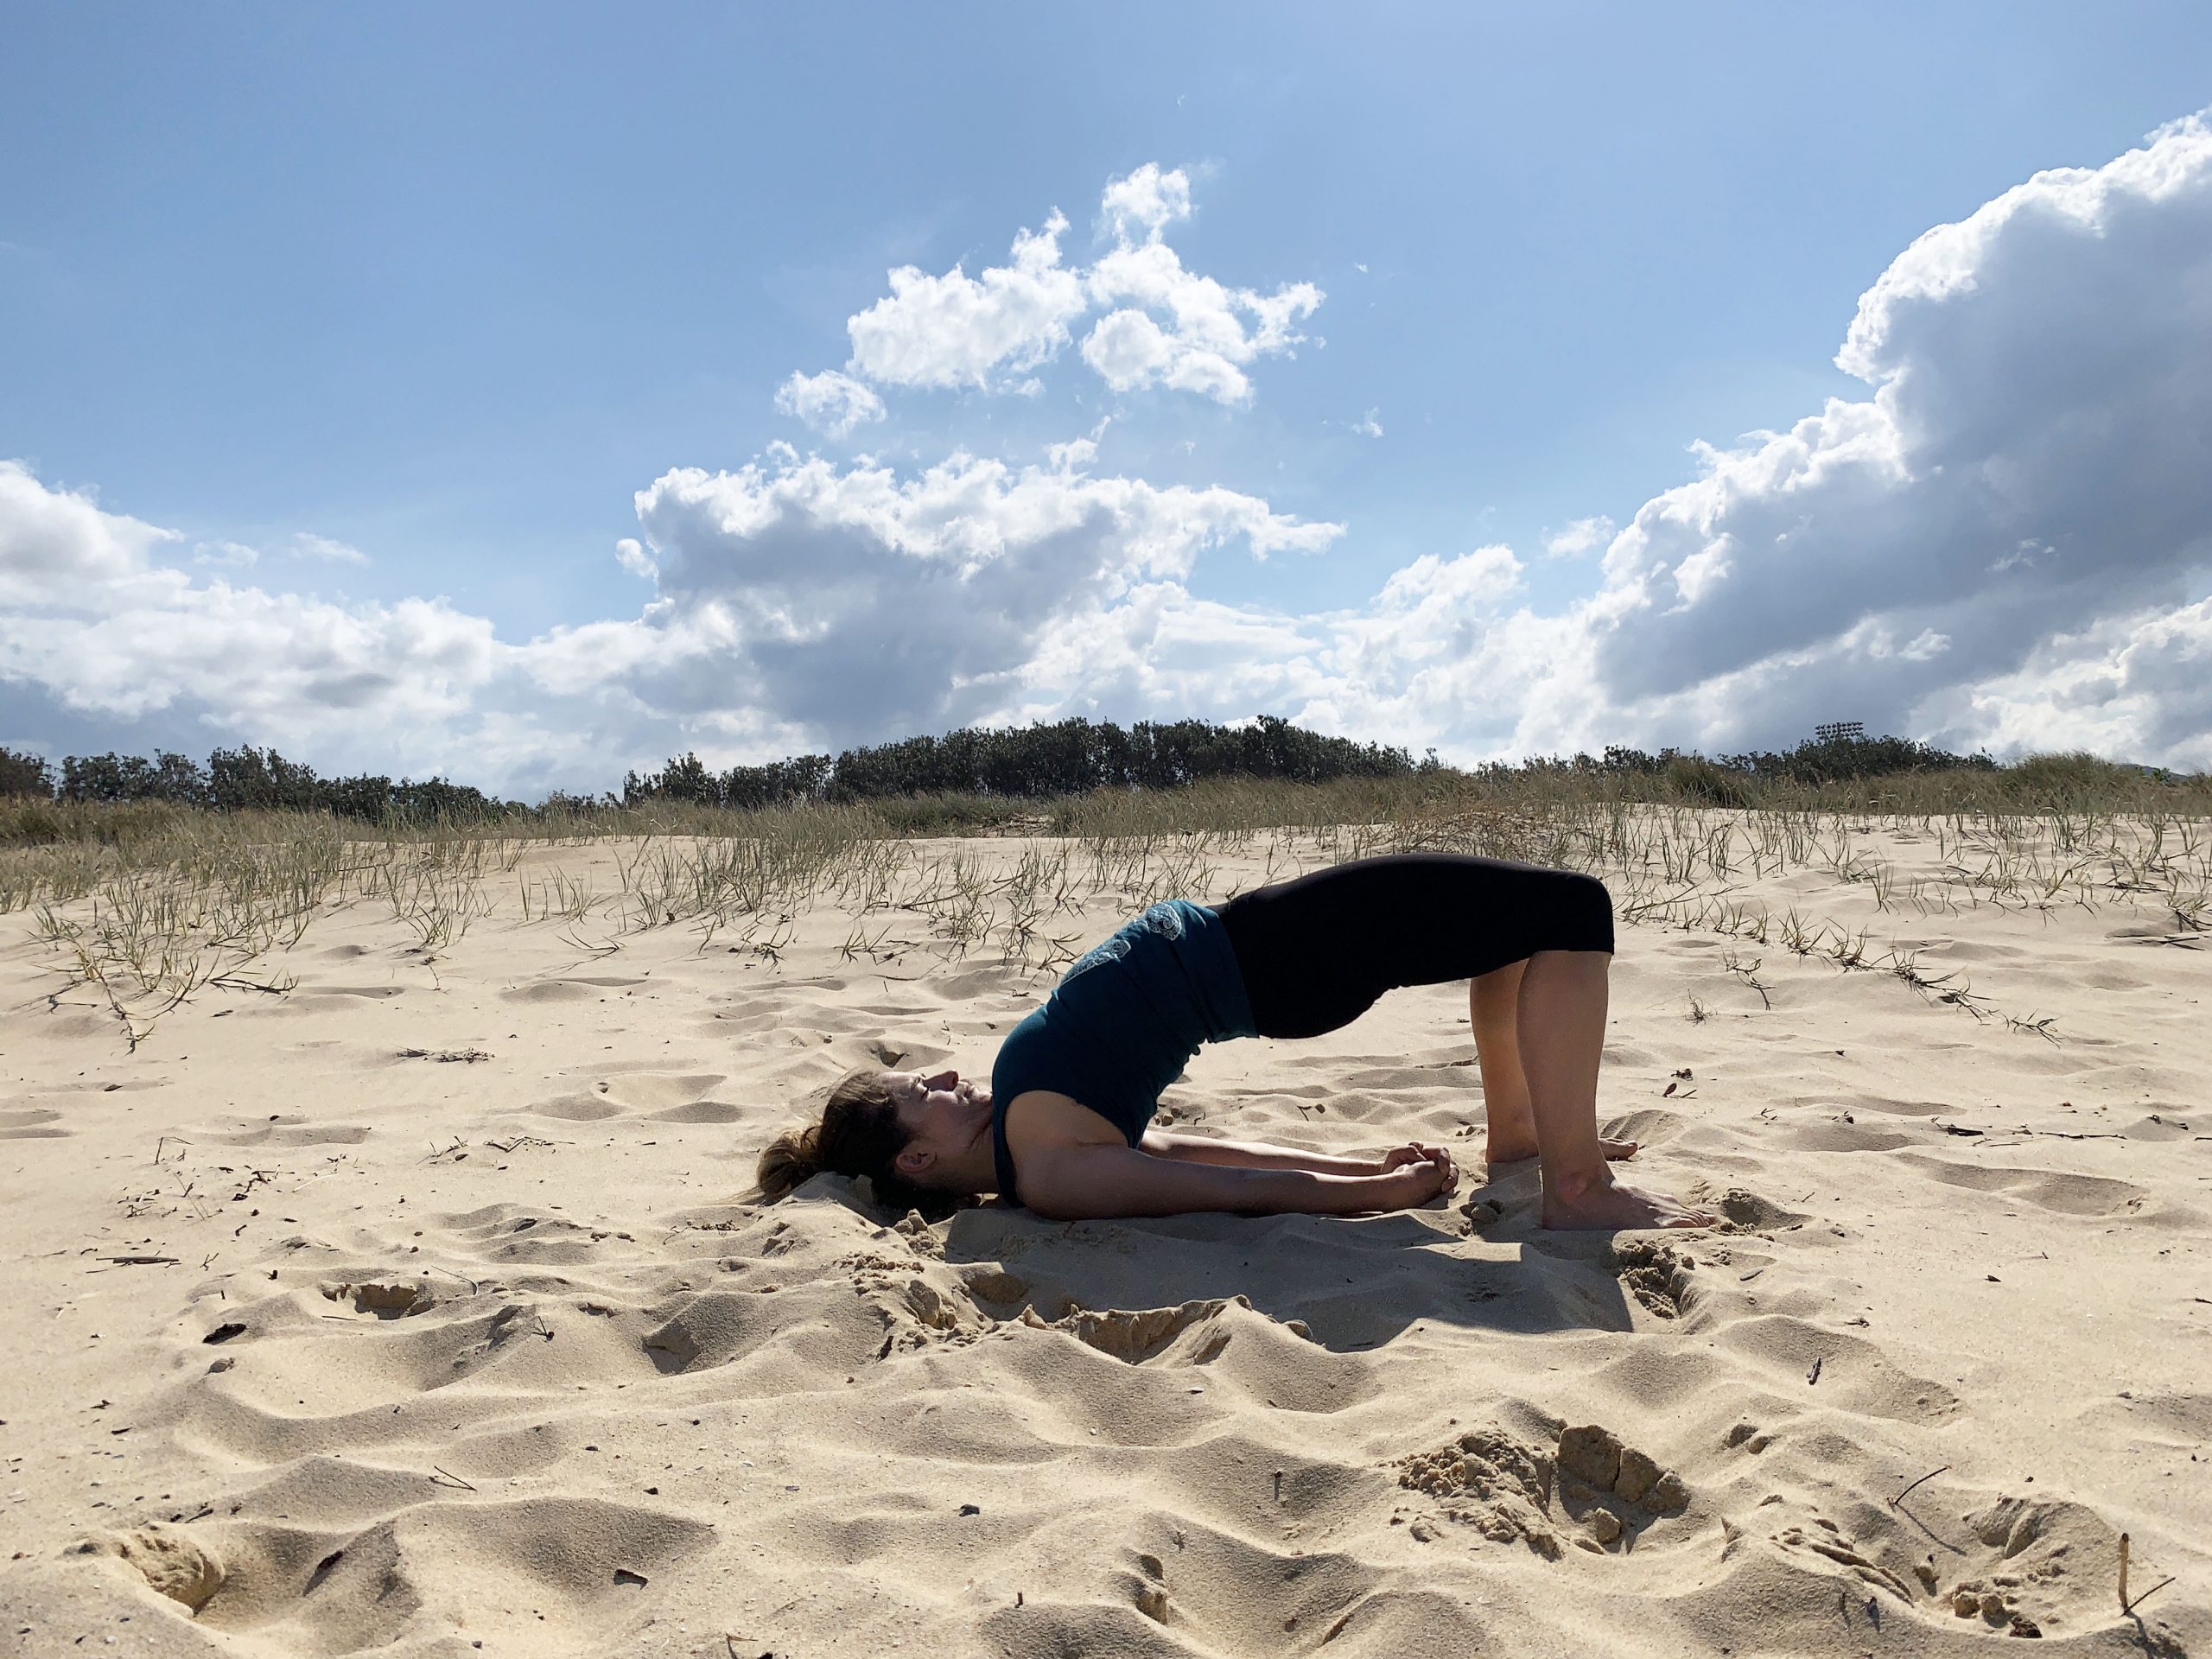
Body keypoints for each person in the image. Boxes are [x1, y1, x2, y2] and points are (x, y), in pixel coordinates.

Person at [758, 854, 1714, 1230]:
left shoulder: (1029, 1137)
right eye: (918, 1088)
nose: (945, 1074)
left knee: (1518, 926)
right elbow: (1226, 1189)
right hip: (1280, 962)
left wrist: (1356, 1161)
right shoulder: (1046, 1173)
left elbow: (1198, 1150)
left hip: (1266, 949)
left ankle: (1525, 1145)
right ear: (918, 1155)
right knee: (1572, 911)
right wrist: (1377, 1195)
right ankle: (1576, 1190)